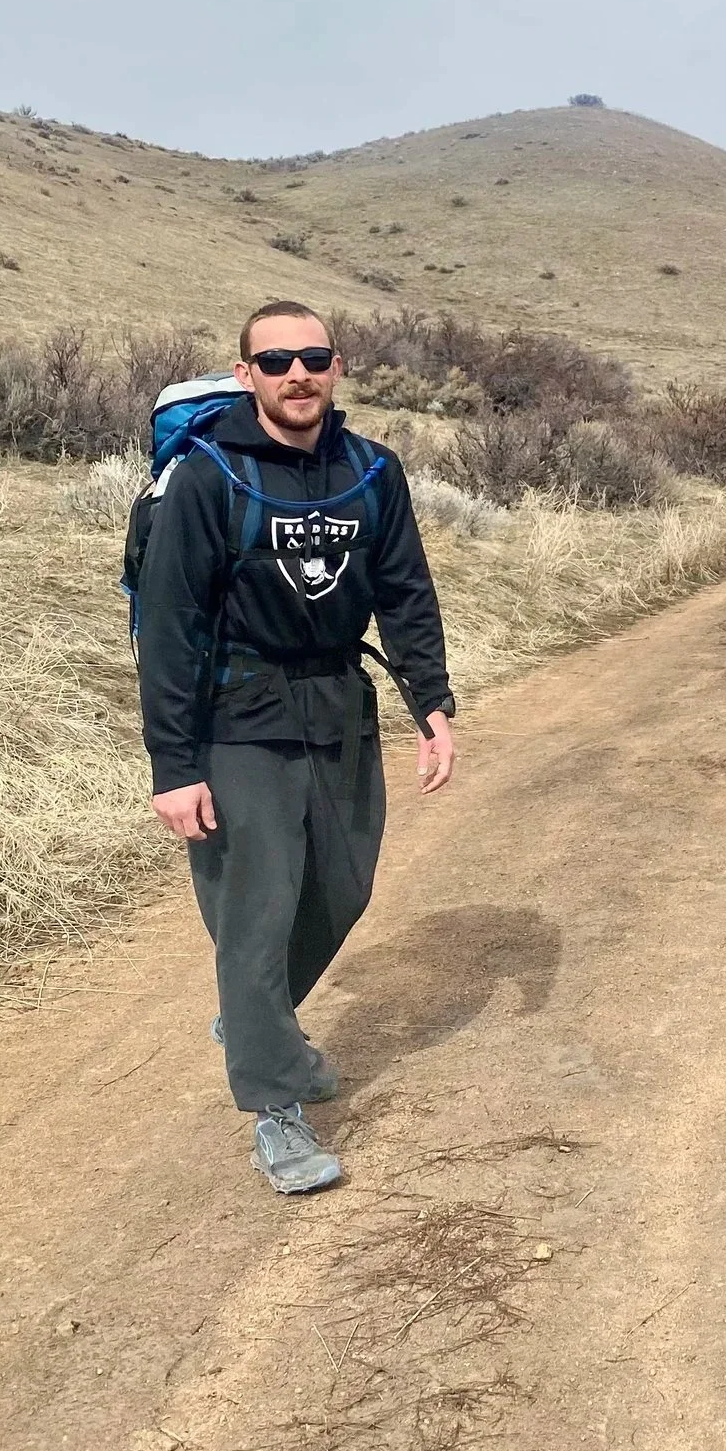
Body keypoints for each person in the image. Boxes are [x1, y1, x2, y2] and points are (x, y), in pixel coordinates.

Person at [137, 299, 457, 1193]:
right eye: (275, 362)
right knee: (259, 907)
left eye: (312, 357)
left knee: (345, 884)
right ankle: (277, 1107)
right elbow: (169, 628)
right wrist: (175, 766)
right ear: (245, 375)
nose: (297, 374)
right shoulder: (207, 476)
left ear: (337, 364)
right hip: (237, 713)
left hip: (337, 704)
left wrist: (430, 703)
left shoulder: (371, 470)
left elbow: (406, 592)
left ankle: (254, 1018)